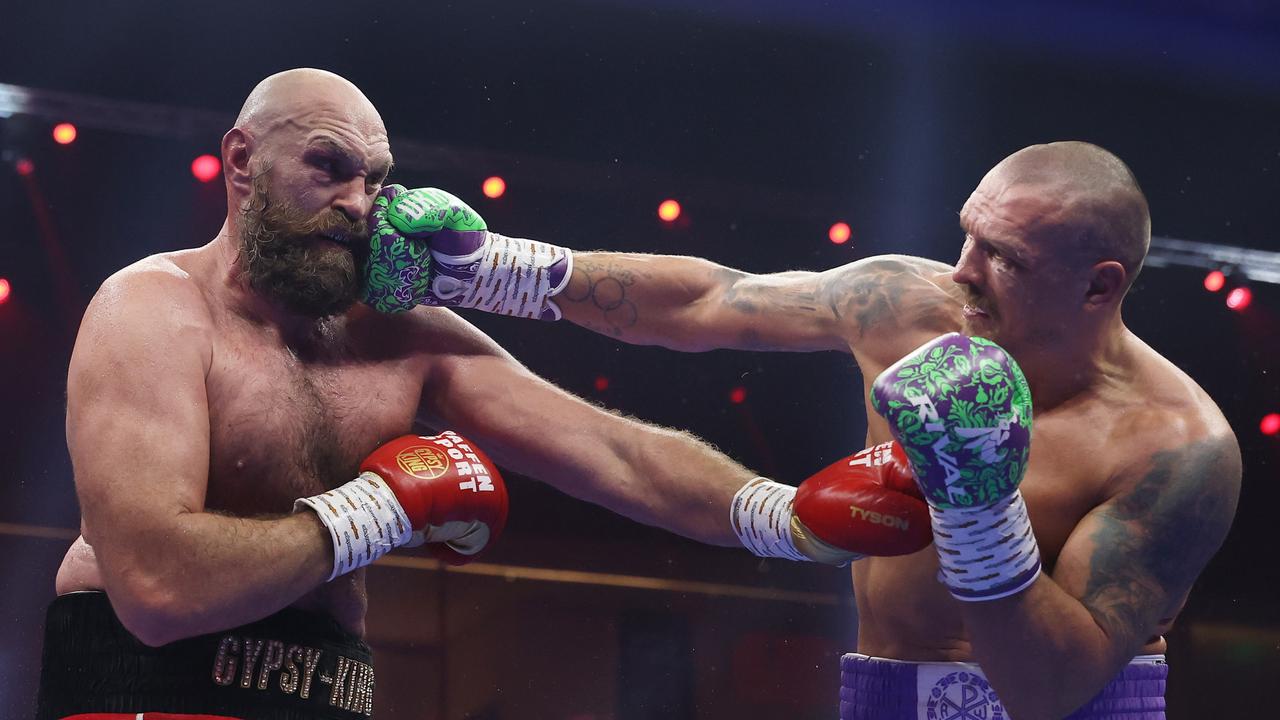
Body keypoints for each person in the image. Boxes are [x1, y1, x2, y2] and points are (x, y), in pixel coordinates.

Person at [37, 68, 929, 720]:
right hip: (140, 692)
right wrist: (377, 511)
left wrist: (787, 517)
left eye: (375, 179)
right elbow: (155, 593)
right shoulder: (153, 310)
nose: (357, 202)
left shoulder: (400, 334)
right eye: (328, 165)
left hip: (327, 688)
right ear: (241, 161)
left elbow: (613, 451)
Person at [389, 141, 1242, 719]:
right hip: (884, 691)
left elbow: (1051, 687)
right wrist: (489, 270)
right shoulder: (910, 305)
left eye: (1006, 259)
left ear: (1100, 287)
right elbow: (707, 300)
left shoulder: (1176, 448)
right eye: (968, 235)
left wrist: (978, 504)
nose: (963, 272)